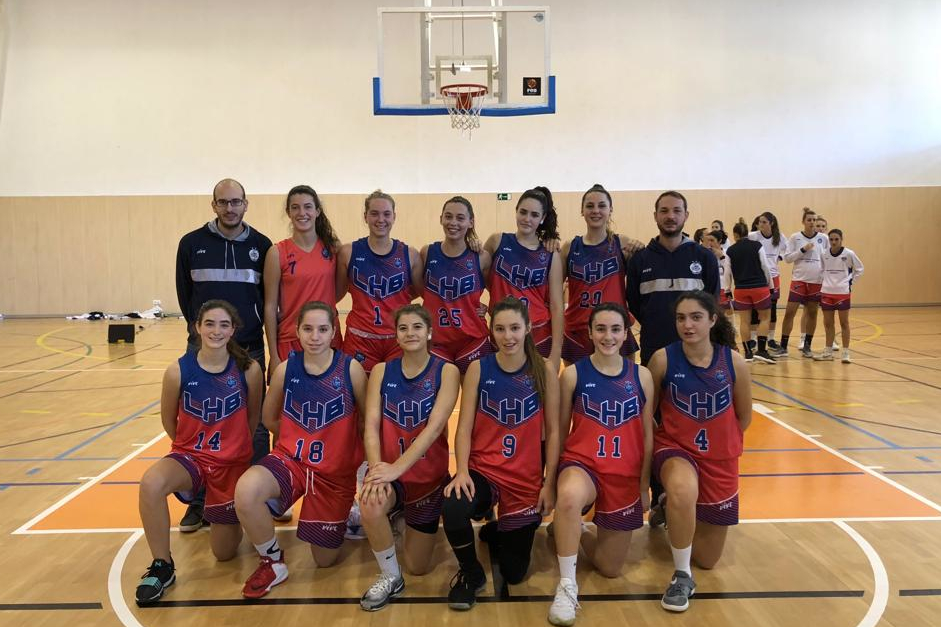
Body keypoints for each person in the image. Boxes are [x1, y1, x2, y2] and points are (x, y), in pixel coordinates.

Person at [233, 302, 367, 598]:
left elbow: (366, 422)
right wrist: (296, 438)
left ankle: (346, 512)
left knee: (324, 560)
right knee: (246, 490)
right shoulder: (286, 369)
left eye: (322, 329)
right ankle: (272, 561)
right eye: (308, 329)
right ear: (297, 331)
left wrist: (354, 461)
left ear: (333, 331)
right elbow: (269, 418)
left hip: (334, 474)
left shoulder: (351, 369)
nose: (315, 336)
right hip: (292, 462)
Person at [135, 300, 263, 605]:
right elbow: (169, 421)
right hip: (191, 458)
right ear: (197, 327)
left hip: (231, 465)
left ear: (233, 330)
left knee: (224, 553)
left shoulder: (249, 370)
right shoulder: (178, 371)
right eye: (209, 324)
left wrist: (233, 448)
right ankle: (162, 566)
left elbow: (253, 418)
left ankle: (218, 510)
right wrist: (191, 448)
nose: (216, 331)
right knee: (151, 483)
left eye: (223, 325)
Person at [442, 296, 560, 611]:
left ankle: (500, 528)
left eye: (515, 328)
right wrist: (462, 471)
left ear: (528, 328)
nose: (508, 336)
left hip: (524, 478)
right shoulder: (479, 368)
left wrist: (549, 483)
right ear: (491, 330)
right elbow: (464, 428)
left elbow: (554, 432)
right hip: (484, 471)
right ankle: (471, 573)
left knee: (514, 573)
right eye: (500, 329)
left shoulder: (545, 369)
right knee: (453, 506)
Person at [175, 178, 272, 531]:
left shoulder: (262, 245)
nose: (230, 208)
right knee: (201, 422)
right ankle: (201, 501)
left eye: (236, 202)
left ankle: (258, 496)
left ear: (246, 204)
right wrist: (205, 336)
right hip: (205, 347)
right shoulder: (191, 243)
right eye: (223, 202)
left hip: (249, 346)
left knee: (256, 425)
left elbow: (267, 298)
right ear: (213, 205)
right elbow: (185, 296)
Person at [548, 303, 654, 626]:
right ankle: (567, 585)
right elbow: (559, 432)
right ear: (590, 333)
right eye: (601, 329)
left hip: (624, 474)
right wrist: (551, 483)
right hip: (583, 465)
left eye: (615, 329)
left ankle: (575, 530)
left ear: (626, 334)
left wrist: (644, 486)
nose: (608, 336)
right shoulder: (574, 374)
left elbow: (648, 436)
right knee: (569, 497)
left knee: (610, 568)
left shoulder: (642, 376)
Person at [647, 291, 752, 613]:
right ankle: (682, 576)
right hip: (676, 449)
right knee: (682, 488)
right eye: (681, 318)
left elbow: (744, 417)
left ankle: (668, 506)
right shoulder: (663, 359)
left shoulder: (733, 362)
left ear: (712, 320)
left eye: (695, 317)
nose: (688, 325)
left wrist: (719, 442)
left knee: (707, 559)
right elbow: (646, 414)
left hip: (720, 458)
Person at [358, 305, 461, 611]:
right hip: (391, 475)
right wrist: (376, 470)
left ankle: (401, 519)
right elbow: (371, 425)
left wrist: (396, 468)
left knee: (418, 566)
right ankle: (391, 575)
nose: (410, 333)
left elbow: (434, 428)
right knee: (370, 501)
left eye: (417, 327)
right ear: (396, 334)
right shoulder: (381, 371)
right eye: (403, 328)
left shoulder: (447, 371)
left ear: (429, 332)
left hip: (427, 479)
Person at [627, 191, 720, 528]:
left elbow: (712, 305)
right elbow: (635, 304)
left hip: (696, 359)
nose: (670, 216)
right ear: (655, 216)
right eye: (664, 211)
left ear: (686, 215)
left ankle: (694, 493)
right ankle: (660, 495)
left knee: (691, 422)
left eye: (676, 211)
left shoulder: (703, 257)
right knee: (654, 424)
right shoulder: (640, 260)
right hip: (655, 354)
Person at [337, 190, 423, 375]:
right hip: (360, 337)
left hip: (398, 338)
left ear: (394, 217)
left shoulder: (410, 255)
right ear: (365, 216)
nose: (381, 219)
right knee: (358, 391)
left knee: (396, 390)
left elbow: (425, 292)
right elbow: (336, 293)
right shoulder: (348, 252)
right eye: (374, 213)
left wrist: (472, 306)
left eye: (386, 214)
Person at [263, 185, 343, 375]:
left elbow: (339, 290)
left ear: (317, 211)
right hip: (290, 339)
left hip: (327, 337)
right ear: (288, 212)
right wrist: (274, 355)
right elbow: (270, 306)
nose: (302, 213)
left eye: (308, 207)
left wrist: (324, 302)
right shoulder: (277, 253)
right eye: (295, 207)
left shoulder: (333, 249)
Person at [560, 184, 642, 365]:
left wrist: (640, 248)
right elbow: (552, 289)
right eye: (590, 206)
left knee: (623, 380)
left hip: (615, 329)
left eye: (602, 205)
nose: (595, 210)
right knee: (576, 382)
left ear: (610, 209)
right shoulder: (569, 247)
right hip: (577, 330)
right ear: (582, 210)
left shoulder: (623, 244)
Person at [484, 187, 564, 366]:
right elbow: (478, 274)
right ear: (516, 211)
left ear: (542, 218)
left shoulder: (550, 253)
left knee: (537, 383)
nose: (527, 219)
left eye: (534, 215)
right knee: (503, 381)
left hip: (538, 332)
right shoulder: (497, 241)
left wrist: (556, 350)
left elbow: (557, 305)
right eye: (523, 212)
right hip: (503, 330)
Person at [421, 197, 493, 374]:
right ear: (441, 219)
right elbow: (419, 290)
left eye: (460, 218)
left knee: (475, 391)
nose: (453, 222)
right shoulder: (427, 253)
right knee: (436, 392)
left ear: (471, 222)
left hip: (472, 338)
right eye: (448, 216)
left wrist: (485, 306)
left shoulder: (481, 257)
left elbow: (497, 289)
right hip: (436, 340)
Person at [779, 208, 828, 358]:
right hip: (799, 280)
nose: (812, 223)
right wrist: (802, 250)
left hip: (816, 281)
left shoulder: (823, 238)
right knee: (789, 313)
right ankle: (783, 347)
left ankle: (807, 346)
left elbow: (828, 259)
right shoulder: (795, 237)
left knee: (812, 313)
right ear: (803, 222)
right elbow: (787, 258)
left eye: (814, 220)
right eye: (809, 220)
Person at [726, 219, 775, 363]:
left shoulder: (730, 250)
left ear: (735, 235)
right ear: (747, 233)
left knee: (744, 321)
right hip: (759, 288)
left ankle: (748, 353)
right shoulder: (757, 246)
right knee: (764, 318)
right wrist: (771, 285)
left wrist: (728, 289)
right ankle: (762, 351)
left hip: (741, 289)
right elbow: (765, 266)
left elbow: (727, 272)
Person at [814, 229, 864, 363]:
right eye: (831, 239)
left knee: (844, 323)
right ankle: (828, 352)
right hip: (826, 292)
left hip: (842, 293)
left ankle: (846, 353)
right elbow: (822, 269)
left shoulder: (849, 253)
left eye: (836, 239)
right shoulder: (824, 254)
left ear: (841, 239)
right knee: (828, 323)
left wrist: (850, 281)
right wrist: (825, 281)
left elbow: (860, 269)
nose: (834, 242)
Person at [748, 211, 788, 353]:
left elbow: (787, 250)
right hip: (757, 277)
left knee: (772, 308)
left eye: (764, 222)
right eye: (760, 222)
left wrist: (780, 257)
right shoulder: (753, 236)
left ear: (771, 223)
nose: (761, 224)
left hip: (773, 276)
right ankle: (753, 338)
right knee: (755, 308)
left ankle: (770, 338)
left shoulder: (780, 237)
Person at [703, 230, 733, 320]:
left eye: (712, 240)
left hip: (724, 287)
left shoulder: (727, 252)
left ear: (719, 241)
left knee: (727, 314)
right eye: (708, 240)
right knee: (712, 314)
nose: (710, 243)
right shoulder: (705, 254)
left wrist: (722, 257)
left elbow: (730, 271)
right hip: (711, 288)